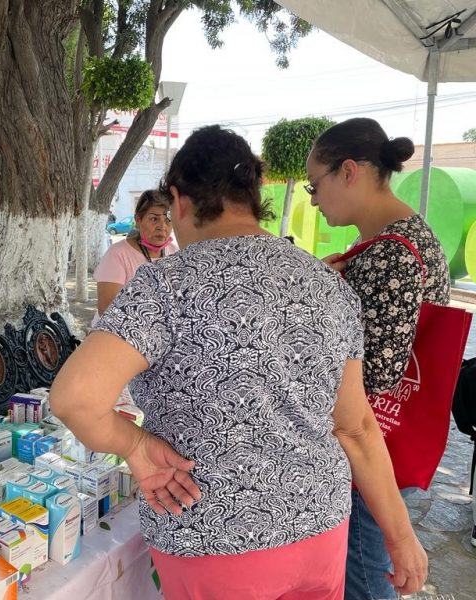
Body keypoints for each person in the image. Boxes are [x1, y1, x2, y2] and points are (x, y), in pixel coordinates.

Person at [50, 125, 427, 599]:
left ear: (178, 201)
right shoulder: (329, 284)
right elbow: (357, 430)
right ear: (254, 198)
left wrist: (137, 447)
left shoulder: (164, 284)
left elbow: (73, 400)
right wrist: (401, 537)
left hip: (213, 538)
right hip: (319, 528)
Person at [306, 117, 450, 600]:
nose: (313, 200)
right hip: (388, 443)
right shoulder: (408, 237)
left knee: (365, 582)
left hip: (373, 449)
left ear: (349, 172)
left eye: (314, 186)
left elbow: (379, 376)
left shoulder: (391, 254)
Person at [92, 190, 178, 325]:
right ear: (138, 220)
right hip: (117, 332)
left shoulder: (174, 252)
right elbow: (106, 309)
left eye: (168, 220)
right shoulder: (118, 254)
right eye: (154, 219)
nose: (162, 227)